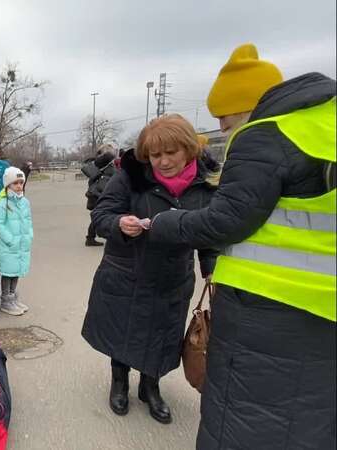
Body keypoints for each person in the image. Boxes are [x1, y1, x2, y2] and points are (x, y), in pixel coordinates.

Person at [149, 44, 335, 449]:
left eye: (226, 119)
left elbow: (227, 221)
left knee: (246, 422)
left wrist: (165, 224)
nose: (226, 130)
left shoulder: (267, 134)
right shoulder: (324, 126)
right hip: (320, 313)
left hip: (271, 312)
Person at [81, 114, 218, 425]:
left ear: (188, 149)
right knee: (123, 329)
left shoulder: (205, 185)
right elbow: (102, 213)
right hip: (126, 271)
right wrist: (118, 223)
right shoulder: (131, 176)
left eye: (171, 153)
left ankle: (150, 387)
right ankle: (119, 382)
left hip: (172, 277)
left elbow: (209, 232)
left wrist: (210, 268)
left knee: (161, 334)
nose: (163, 161)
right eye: (155, 155)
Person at [0, 167, 33, 316]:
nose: (19, 186)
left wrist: (29, 235)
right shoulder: (3, 203)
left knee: (16, 271)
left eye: (21, 182)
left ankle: (13, 298)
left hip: (22, 243)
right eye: (15, 183)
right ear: (8, 185)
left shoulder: (25, 202)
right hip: (9, 245)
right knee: (8, 273)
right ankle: (6, 300)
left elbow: (28, 221)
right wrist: (10, 239)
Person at [83, 150, 116, 246]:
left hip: (94, 194)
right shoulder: (108, 168)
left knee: (98, 216)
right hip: (98, 194)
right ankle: (90, 238)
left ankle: (91, 238)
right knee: (99, 217)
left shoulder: (97, 167)